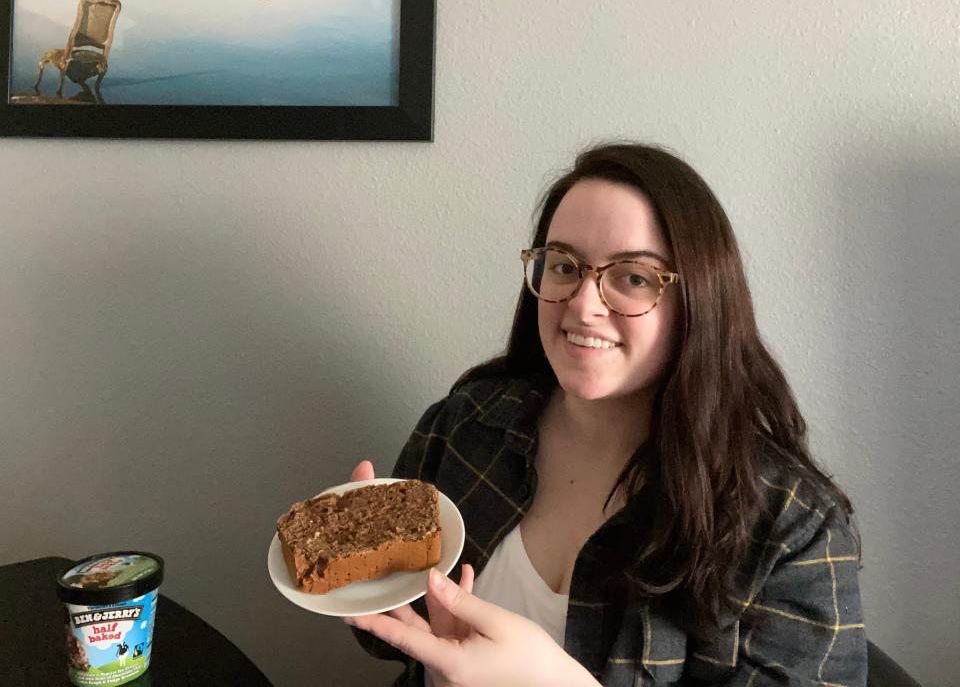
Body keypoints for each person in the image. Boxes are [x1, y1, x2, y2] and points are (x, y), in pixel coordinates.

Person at [345, 143, 867, 686]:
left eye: (634, 277)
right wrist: (362, 569)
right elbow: (387, 636)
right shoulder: (466, 426)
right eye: (564, 265)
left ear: (700, 300)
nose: (583, 304)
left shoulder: (794, 527)